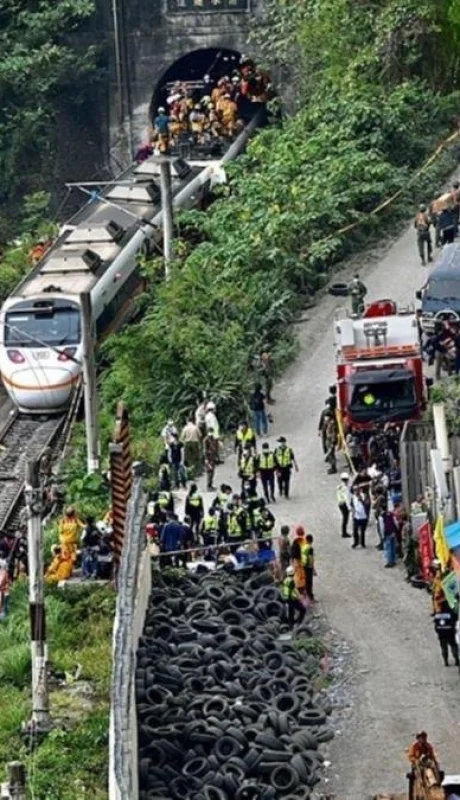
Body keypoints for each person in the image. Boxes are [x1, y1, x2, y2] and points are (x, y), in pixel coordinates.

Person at [433, 600, 460, 667]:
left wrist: (438, 632)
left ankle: (446, 661)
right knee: (453, 645)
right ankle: (456, 659)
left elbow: (436, 625)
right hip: (450, 633)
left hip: (441, 634)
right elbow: (455, 620)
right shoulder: (450, 613)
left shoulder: (437, 614)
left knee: (443, 647)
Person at [337, 473, 352, 538]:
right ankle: (344, 533)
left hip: (340, 503)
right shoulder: (345, 488)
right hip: (344, 504)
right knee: (345, 519)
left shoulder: (339, 486)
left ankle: (344, 532)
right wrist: (349, 507)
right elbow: (346, 498)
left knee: (344, 518)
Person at [304, 534, 316, 602]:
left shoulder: (304, 546)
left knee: (305, 581)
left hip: (303, 565)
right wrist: (313, 569)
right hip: (308, 566)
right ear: (312, 541)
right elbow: (311, 559)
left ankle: (306, 595)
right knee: (309, 582)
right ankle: (310, 597)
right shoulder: (310, 548)